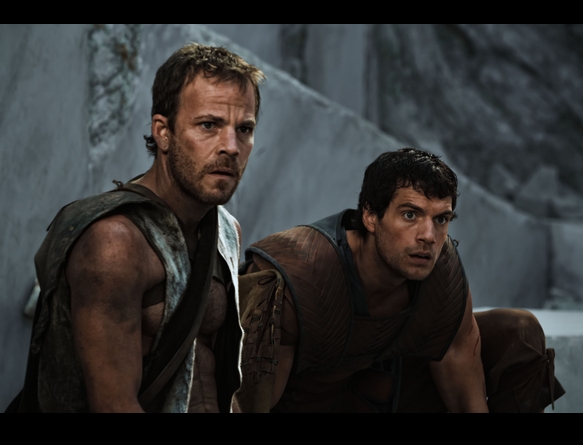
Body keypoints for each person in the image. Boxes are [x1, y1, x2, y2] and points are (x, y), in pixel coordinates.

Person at [9, 43, 265, 413]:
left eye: (244, 129)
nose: (232, 147)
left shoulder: (226, 231)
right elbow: (114, 405)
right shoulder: (115, 243)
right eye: (208, 125)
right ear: (163, 132)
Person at [236, 148, 565, 413]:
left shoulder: (442, 273)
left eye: (441, 219)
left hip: (385, 396)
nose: (428, 236)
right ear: (370, 216)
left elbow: (467, 400)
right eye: (410, 215)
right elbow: (249, 403)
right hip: (306, 404)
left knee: (517, 331)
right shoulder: (298, 273)